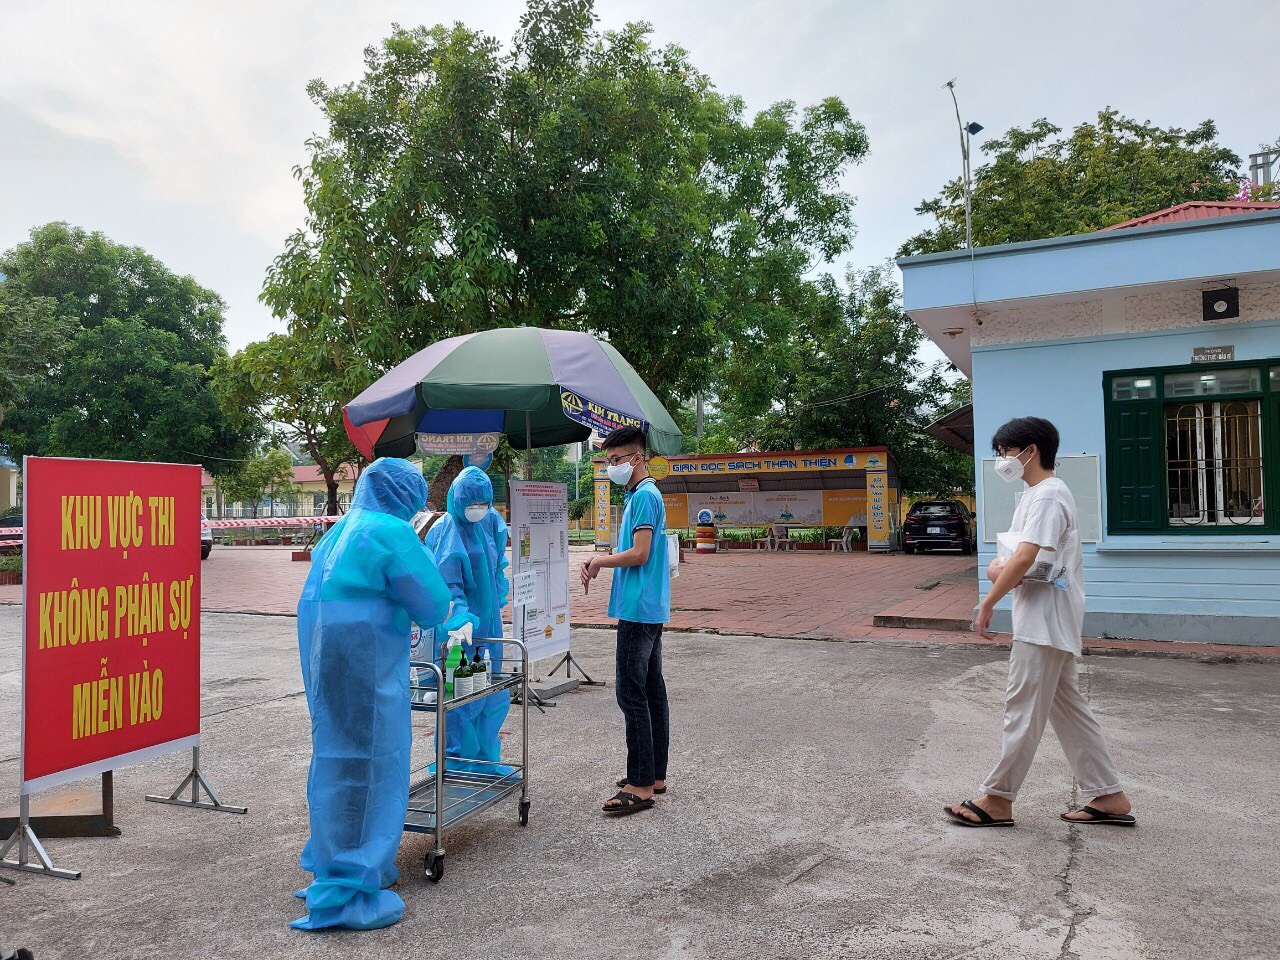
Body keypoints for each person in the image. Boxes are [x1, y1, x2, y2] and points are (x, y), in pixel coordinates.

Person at [947, 417, 1136, 829]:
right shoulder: (1036, 496)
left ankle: (998, 799)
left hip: (1045, 622)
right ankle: (1108, 796)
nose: (1002, 460)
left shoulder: (1048, 496)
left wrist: (988, 602)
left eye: (1005, 451)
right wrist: (1003, 572)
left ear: (1030, 450)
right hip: (1046, 619)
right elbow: (1024, 557)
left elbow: (1028, 556)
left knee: (1022, 708)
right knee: (1068, 710)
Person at [294, 458, 453, 931]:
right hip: (364, 653)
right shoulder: (391, 532)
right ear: (406, 496)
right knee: (374, 757)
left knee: (335, 753)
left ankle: (338, 861)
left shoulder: (340, 530)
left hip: (323, 650)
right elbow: (433, 603)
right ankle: (349, 887)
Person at [580, 426, 671, 817]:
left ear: (637, 458)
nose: (611, 467)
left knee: (631, 694)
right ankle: (654, 774)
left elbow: (640, 552)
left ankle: (640, 785)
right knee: (651, 689)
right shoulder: (640, 495)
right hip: (647, 605)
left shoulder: (645, 496)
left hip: (638, 608)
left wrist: (600, 559)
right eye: (607, 461)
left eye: (616, 460)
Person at [424, 466, 511, 770]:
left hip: (489, 624)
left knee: (490, 693)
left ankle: (486, 758)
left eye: (483, 502)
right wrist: (459, 617)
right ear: (455, 499)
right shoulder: (445, 530)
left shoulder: (491, 522)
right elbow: (447, 584)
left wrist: (499, 593)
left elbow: (498, 566)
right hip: (459, 631)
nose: (478, 509)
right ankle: (456, 760)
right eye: (471, 503)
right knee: (458, 696)